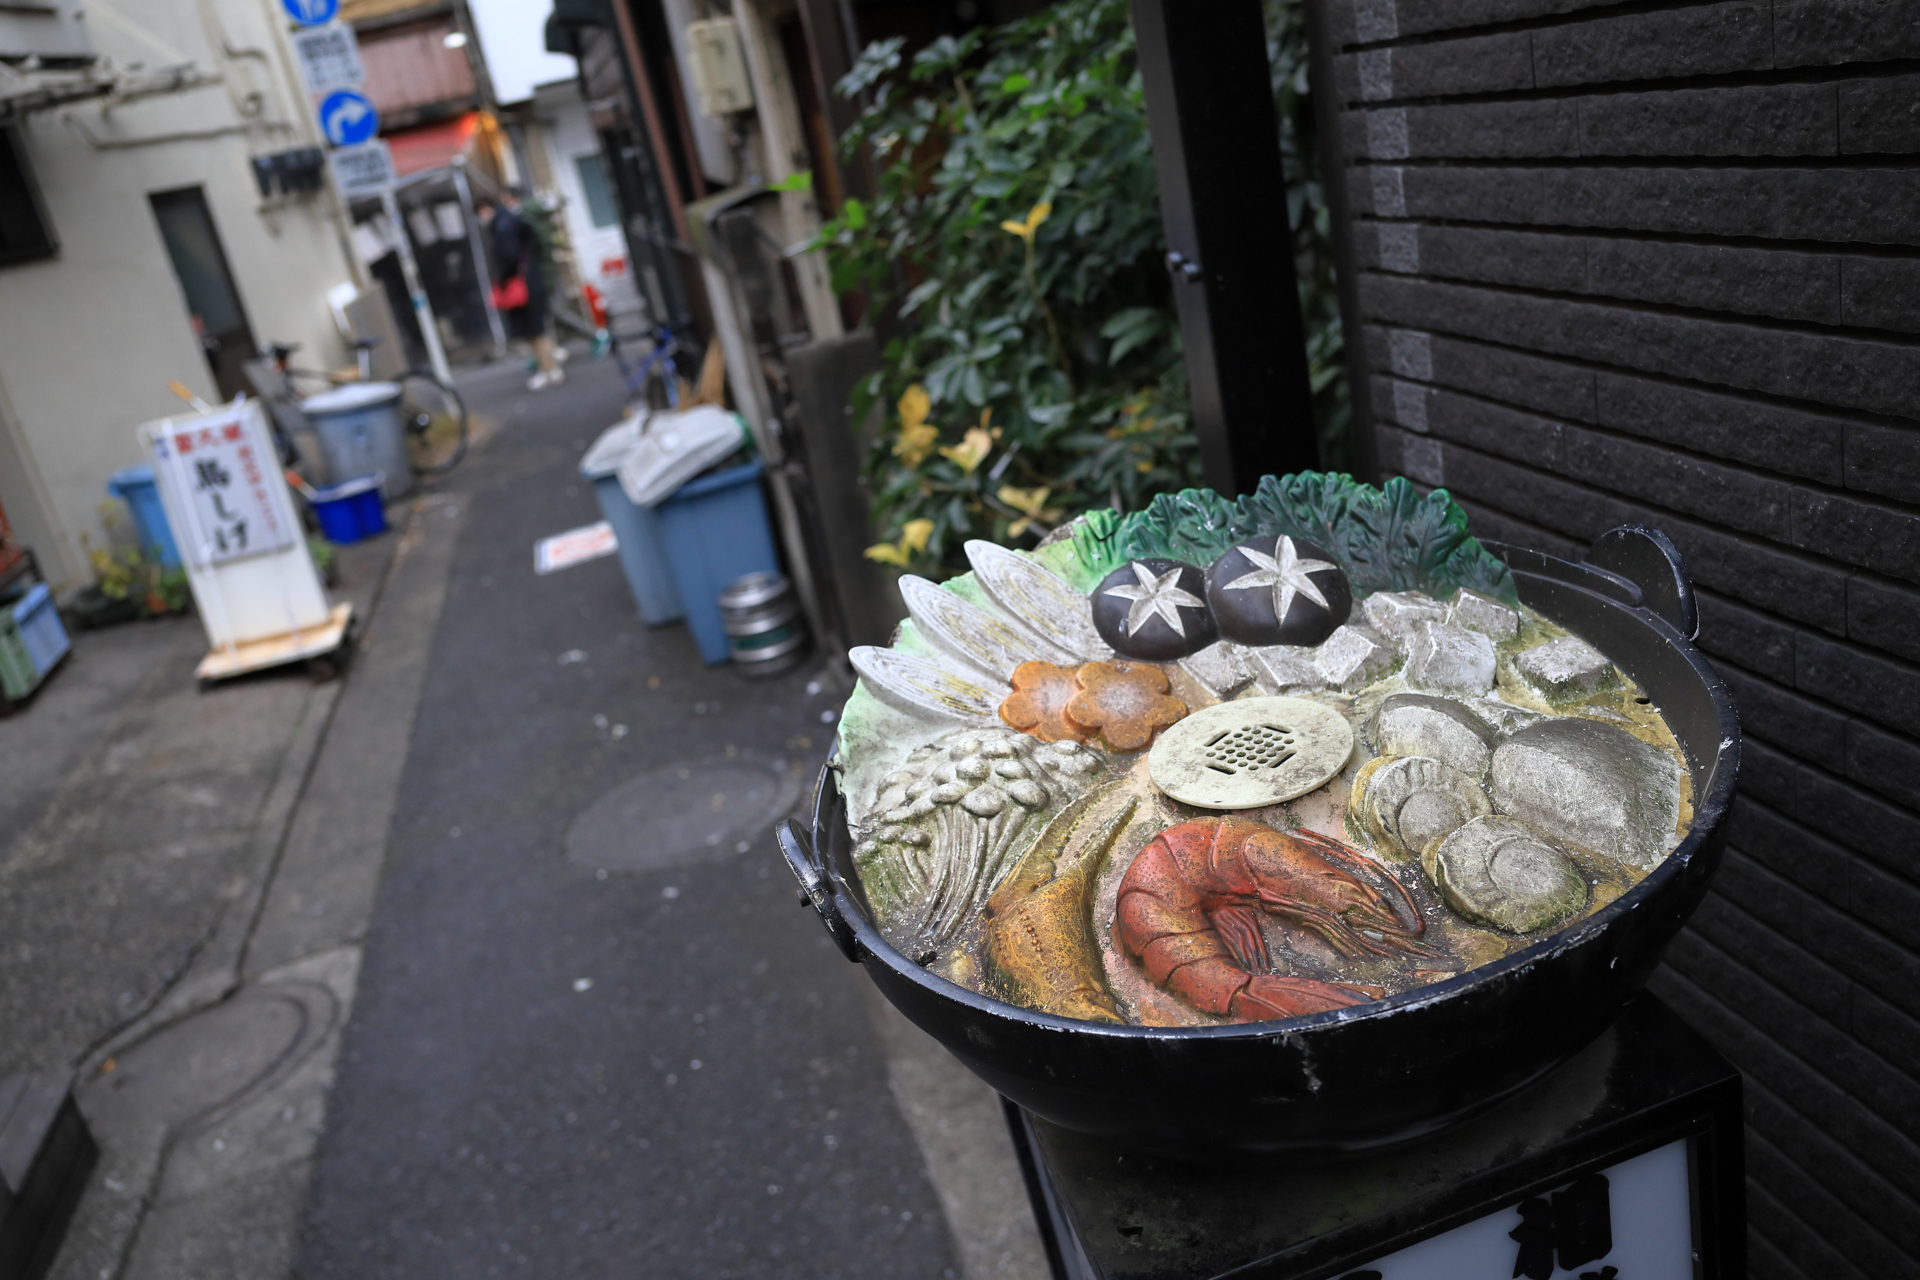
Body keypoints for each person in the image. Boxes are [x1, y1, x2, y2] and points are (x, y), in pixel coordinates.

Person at [477, 189, 563, 391]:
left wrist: (503, 280)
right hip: (531, 278)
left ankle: (549, 368)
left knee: (533, 332)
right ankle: (550, 364)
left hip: (520, 284)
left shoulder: (502, 227)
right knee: (536, 328)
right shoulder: (514, 221)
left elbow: (509, 257)